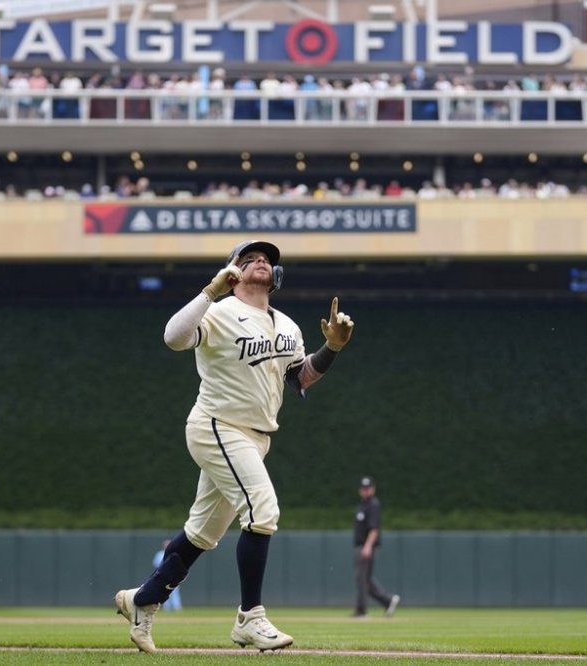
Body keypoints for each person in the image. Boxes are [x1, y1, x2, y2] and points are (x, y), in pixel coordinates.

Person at [114, 239, 355, 654]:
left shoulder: (288, 326)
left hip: (255, 437)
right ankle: (250, 618)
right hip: (217, 426)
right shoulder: (219, 312)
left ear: (276, 276)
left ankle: (140, 599)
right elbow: (173, 337)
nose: (260, 263)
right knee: (263, 510)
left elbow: (299, 378)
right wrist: (211, 289)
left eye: (266, 260)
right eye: (250, 259)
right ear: (234, 271)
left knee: (202, 534)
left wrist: (332, 347)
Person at [352, 476, 400, 619]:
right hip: (360, 545)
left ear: (373, 489)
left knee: (362, 579)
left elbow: (374, 529)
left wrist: (368, 546)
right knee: (365, 580)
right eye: (363, 488)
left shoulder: (373, 504)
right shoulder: (362, 506)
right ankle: (388, 600)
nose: (366, 491)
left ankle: (362, 611)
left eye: (368, 488)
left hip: (365, 546)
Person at [151, 540, 183, 611]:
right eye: (166, 544)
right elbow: (156, 566)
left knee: (174, 592)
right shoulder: (159, 554)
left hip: (174, 576)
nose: (167, 546)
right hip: (163, 576)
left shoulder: (175, 553)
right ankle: (167, 608)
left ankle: (177, 607)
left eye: (169, 544)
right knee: (164, 592)